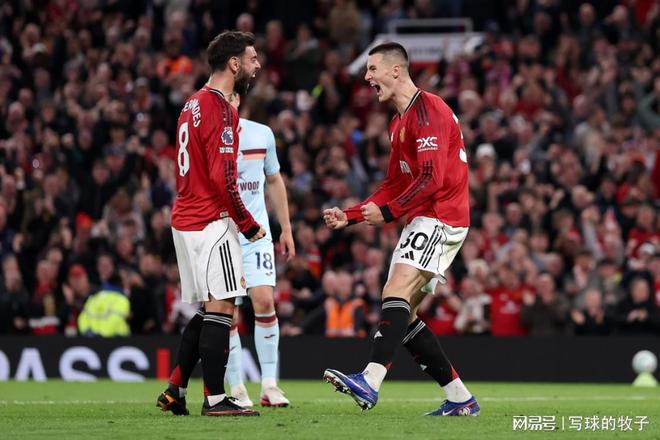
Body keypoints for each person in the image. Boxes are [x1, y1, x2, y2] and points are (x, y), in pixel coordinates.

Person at [322, 42, 479, 416]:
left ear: (395, 70)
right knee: (402, 312)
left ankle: (370, 380)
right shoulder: (399, 123)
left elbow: (431, 178)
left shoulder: (429, 111)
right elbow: (394, 183)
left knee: (395, 292)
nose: (367, 77)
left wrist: (389, 213)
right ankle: (460, 399)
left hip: (441, 215)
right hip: (424, 217)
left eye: (372, 69)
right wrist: (352, 215)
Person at [156, 31, 265, 418]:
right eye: (252, 59)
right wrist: (247, 224)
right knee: (222, 308)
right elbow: (224, 178)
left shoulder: (192, 104)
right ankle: (217, 400)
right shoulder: (220, 108)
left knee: (208, 310)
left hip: (186, 218)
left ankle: (175, 389)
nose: (257, 65)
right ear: (234, 63)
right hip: (210, 220)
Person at [224, 92, 296, 408]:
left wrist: (286, 228)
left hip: (257, 235)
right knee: (228, 311)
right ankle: (237, 387)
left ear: (238, 99)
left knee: (265, 301)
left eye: (228, 98)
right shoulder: (209, 137)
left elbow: (274, 180)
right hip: (222, 235)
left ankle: (269, 384)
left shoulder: (261, 134)